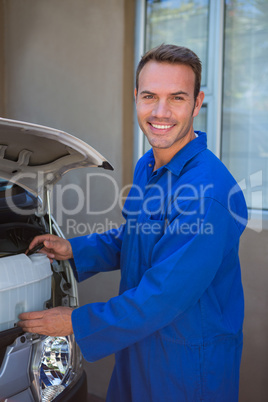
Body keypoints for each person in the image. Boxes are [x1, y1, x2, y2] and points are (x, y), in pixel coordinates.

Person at [18, 44, 248, 401]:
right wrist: (73, 250)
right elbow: (135, 238)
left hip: (187, 365)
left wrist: (76, 322)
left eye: (177, 98)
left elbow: (162, 298)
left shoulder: (207, 194)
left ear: (197, 103)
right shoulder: (148, 166)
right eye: (149, 96)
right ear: (135, 99)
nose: (160, 111)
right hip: (138, 346)